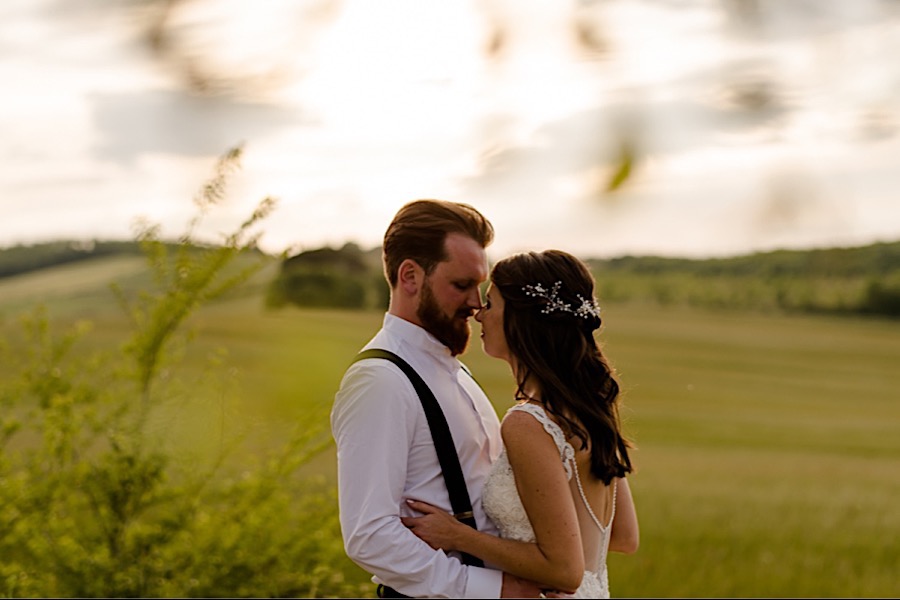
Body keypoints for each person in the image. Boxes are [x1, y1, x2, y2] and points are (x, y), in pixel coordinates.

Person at [331, 199, 542, 598]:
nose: (477, 303)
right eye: (462, 285)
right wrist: (494, 590)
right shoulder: (380, 380)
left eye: (479, 286)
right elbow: (370, 535)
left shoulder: (455, 370)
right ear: (410, 276)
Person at [400, 250, 640, 598]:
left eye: (491, 304)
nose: (478, 315)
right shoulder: (590, 411)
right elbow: (622, 537)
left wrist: (457, 536)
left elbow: (565, 572)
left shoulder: (529, 423)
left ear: (521, 320)